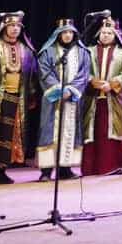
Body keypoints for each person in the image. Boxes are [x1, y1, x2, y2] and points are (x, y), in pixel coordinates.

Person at [0, 12, 38, 187]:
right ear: (4, 27)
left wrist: (32, 95)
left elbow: (31, 77)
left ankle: (1, 171)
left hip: (16, 99)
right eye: (11, 26)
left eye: (18, 26)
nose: (15, 29)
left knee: (8, 137)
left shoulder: (26, 50)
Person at [36, 18, 92, 181]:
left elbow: (84, 74)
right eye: (64, 32)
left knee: (70, 130)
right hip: (53, 99)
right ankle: (46, 171)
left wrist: (71, 90)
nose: (67, 35)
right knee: (49, 131)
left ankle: (65, 169)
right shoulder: (48, 52)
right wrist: (59, 90)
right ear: (58, 34)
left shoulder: (82, 52)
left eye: (70, 32)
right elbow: (44, 72)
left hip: (73, 98)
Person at [81, 18, 122, 176]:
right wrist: (92, 81)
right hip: (92, 97)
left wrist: (112, 84)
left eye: (109, 33)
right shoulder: (88, 51)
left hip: (113, 98)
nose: (105, 35)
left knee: (112, 129)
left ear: (115, 35)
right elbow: (81, 70)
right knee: (93, 131)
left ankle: (115, 165)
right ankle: (91, 168)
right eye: (103, 32)